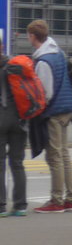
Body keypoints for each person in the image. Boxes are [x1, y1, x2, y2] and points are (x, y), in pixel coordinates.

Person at [27, 19, 72, 213]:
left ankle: (56, 200)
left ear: (33, 36)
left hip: (54, 112)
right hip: (66, 108)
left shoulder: (44, 61)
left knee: (54, 156)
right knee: (64, 154)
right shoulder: (58, 53)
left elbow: (45, 94)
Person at [0, 36, 29, 218]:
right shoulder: (15, 65)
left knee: (0, 163)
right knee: (17, 163)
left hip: (1, 119)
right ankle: (20, 206)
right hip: (19, 119)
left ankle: (1, 206)